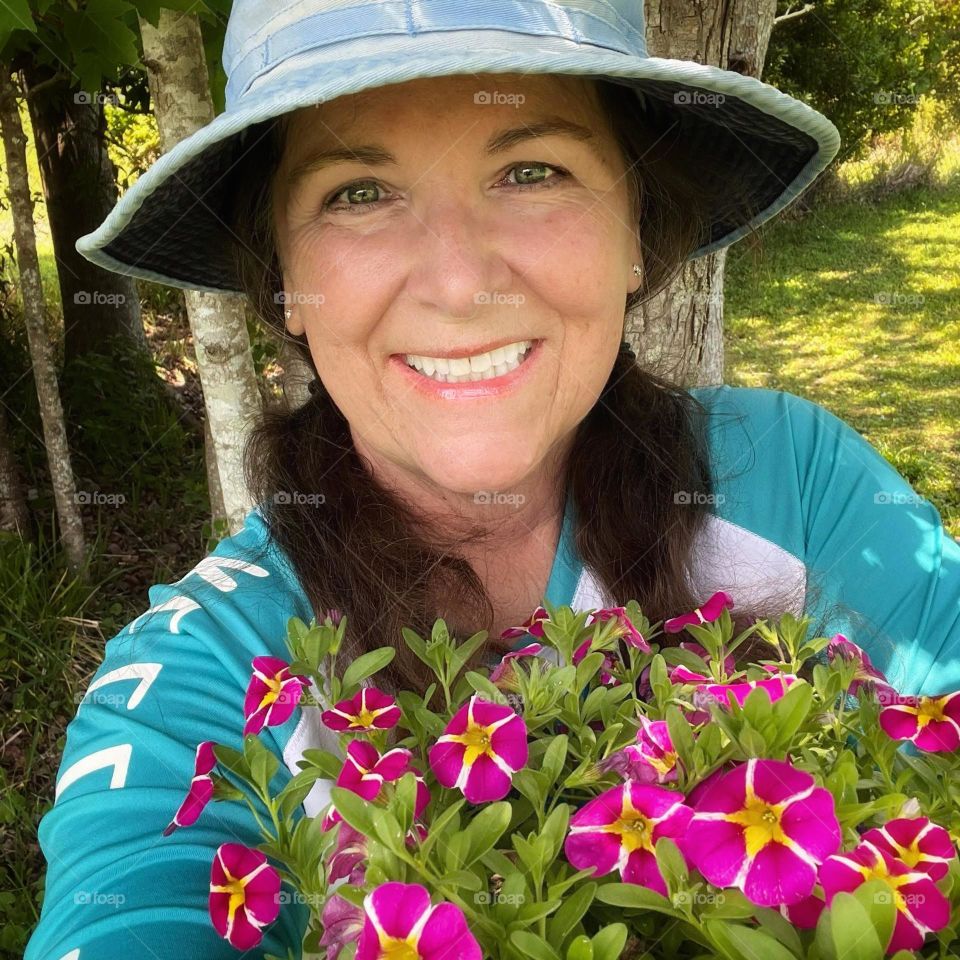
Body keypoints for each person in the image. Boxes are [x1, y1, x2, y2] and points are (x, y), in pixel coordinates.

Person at [25, 1, 960, 958]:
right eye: (357, 191)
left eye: (530, 171)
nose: (462, 283)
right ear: (282, 278)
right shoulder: (208, 670)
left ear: (638, 229)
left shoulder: (794, 480)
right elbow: (134, 898)